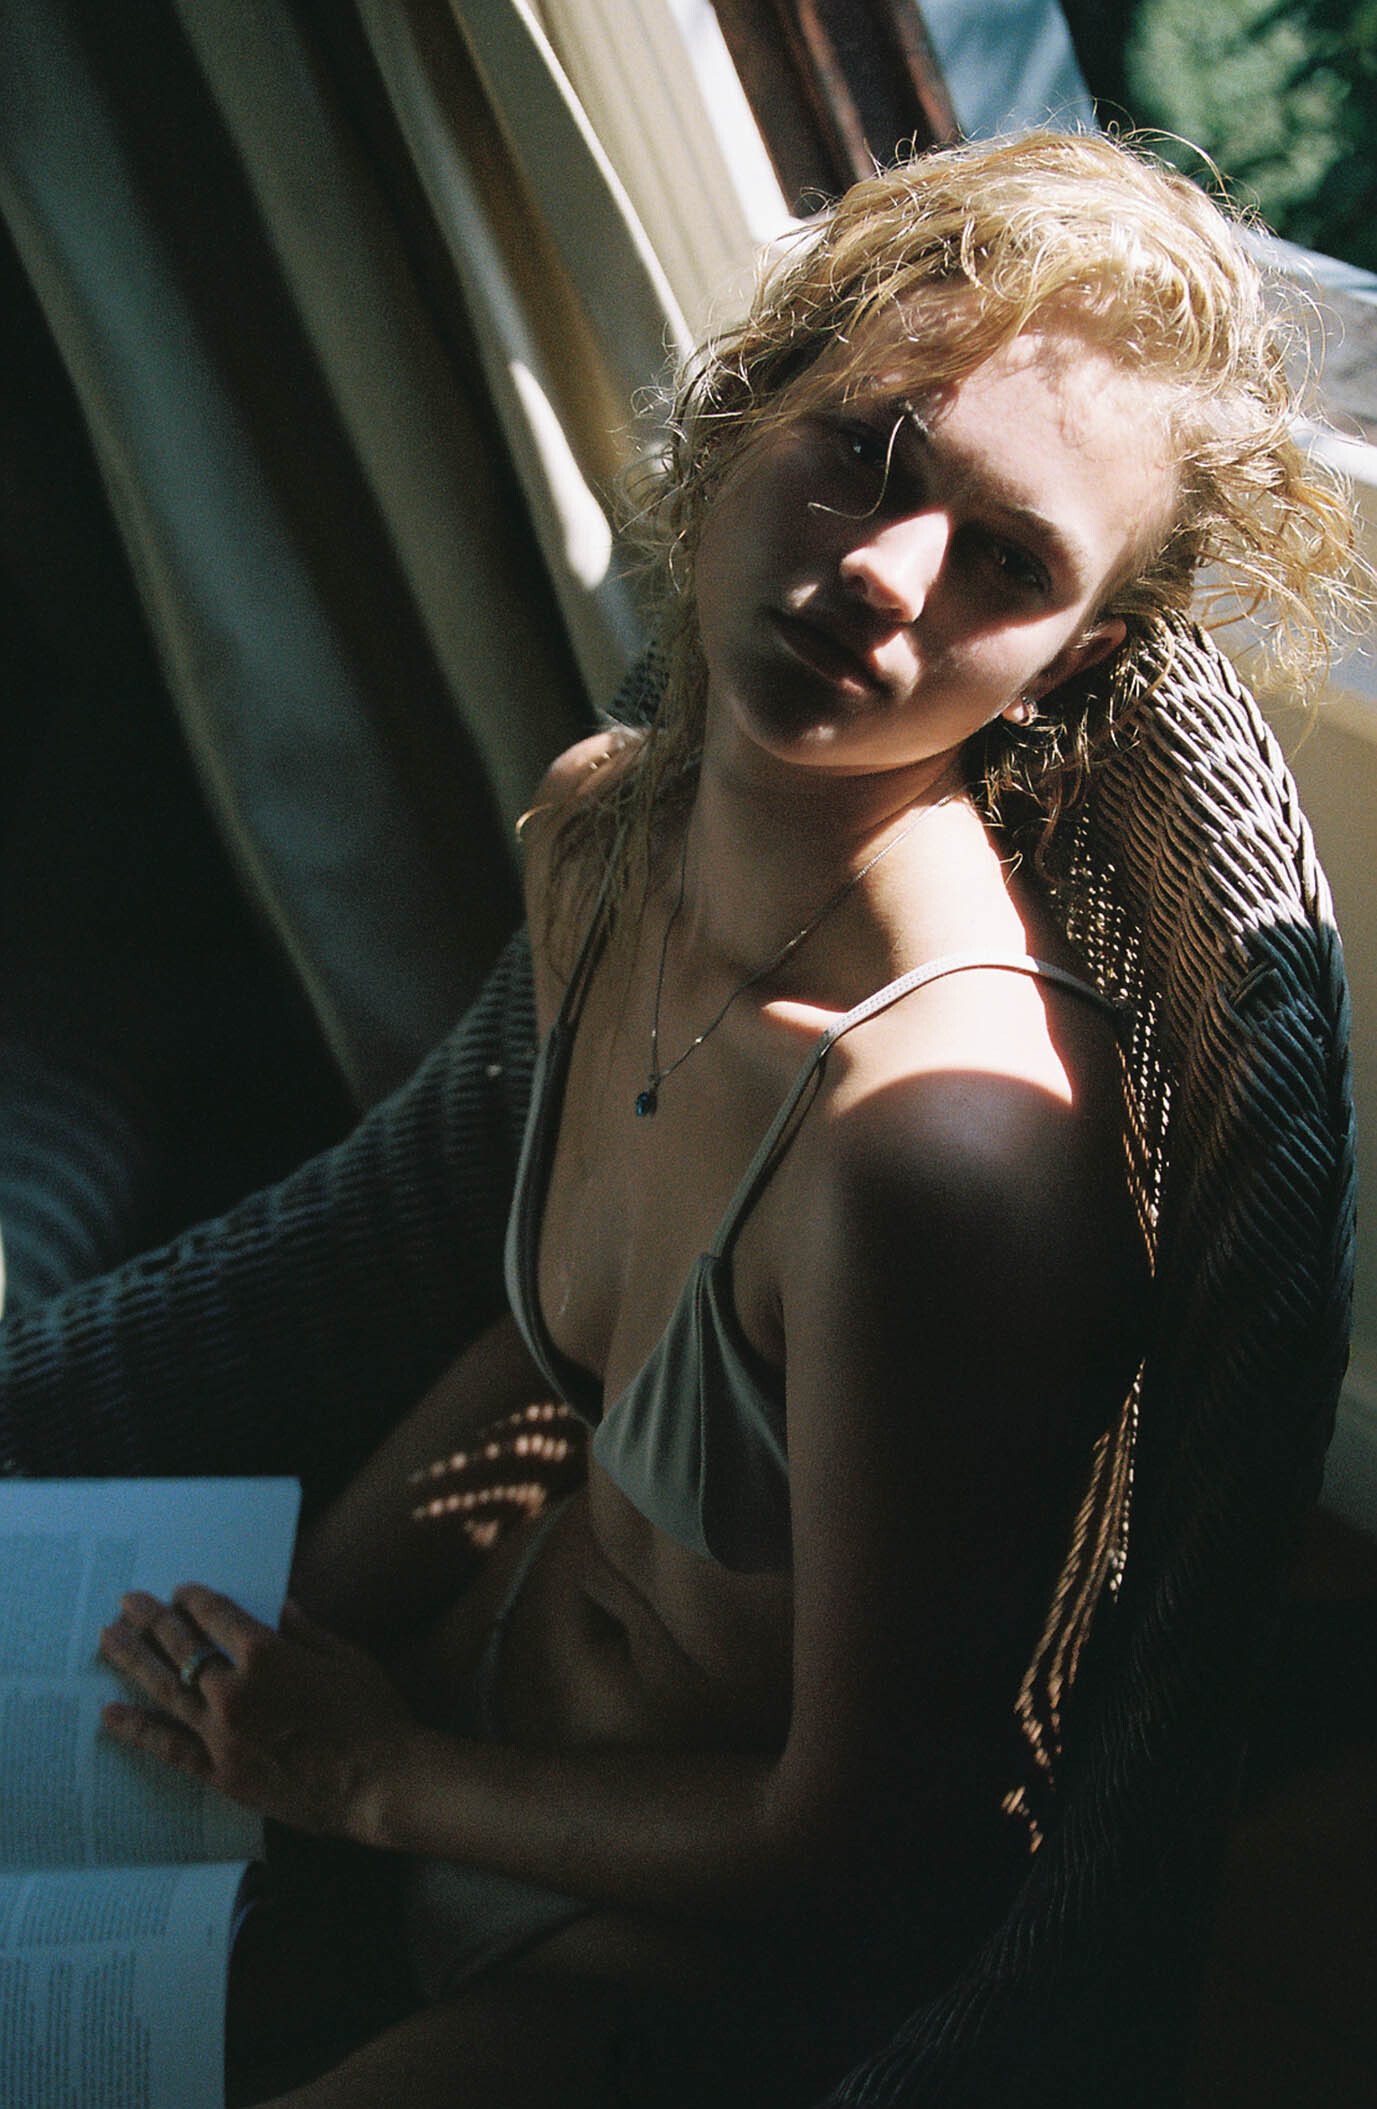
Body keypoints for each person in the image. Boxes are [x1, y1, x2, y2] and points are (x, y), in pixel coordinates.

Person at [94, 130, 1355, 2106]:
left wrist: (368, 1774)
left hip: (673, 1946)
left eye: (1005, 561)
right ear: (748, 406)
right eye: (863, 447)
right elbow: (554, 1357)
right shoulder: (599, 834)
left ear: (1072, 660)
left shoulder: (927, 1146)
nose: (879, 572)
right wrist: (282, 1629)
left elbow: (880, 1833)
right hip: (438, 1704)